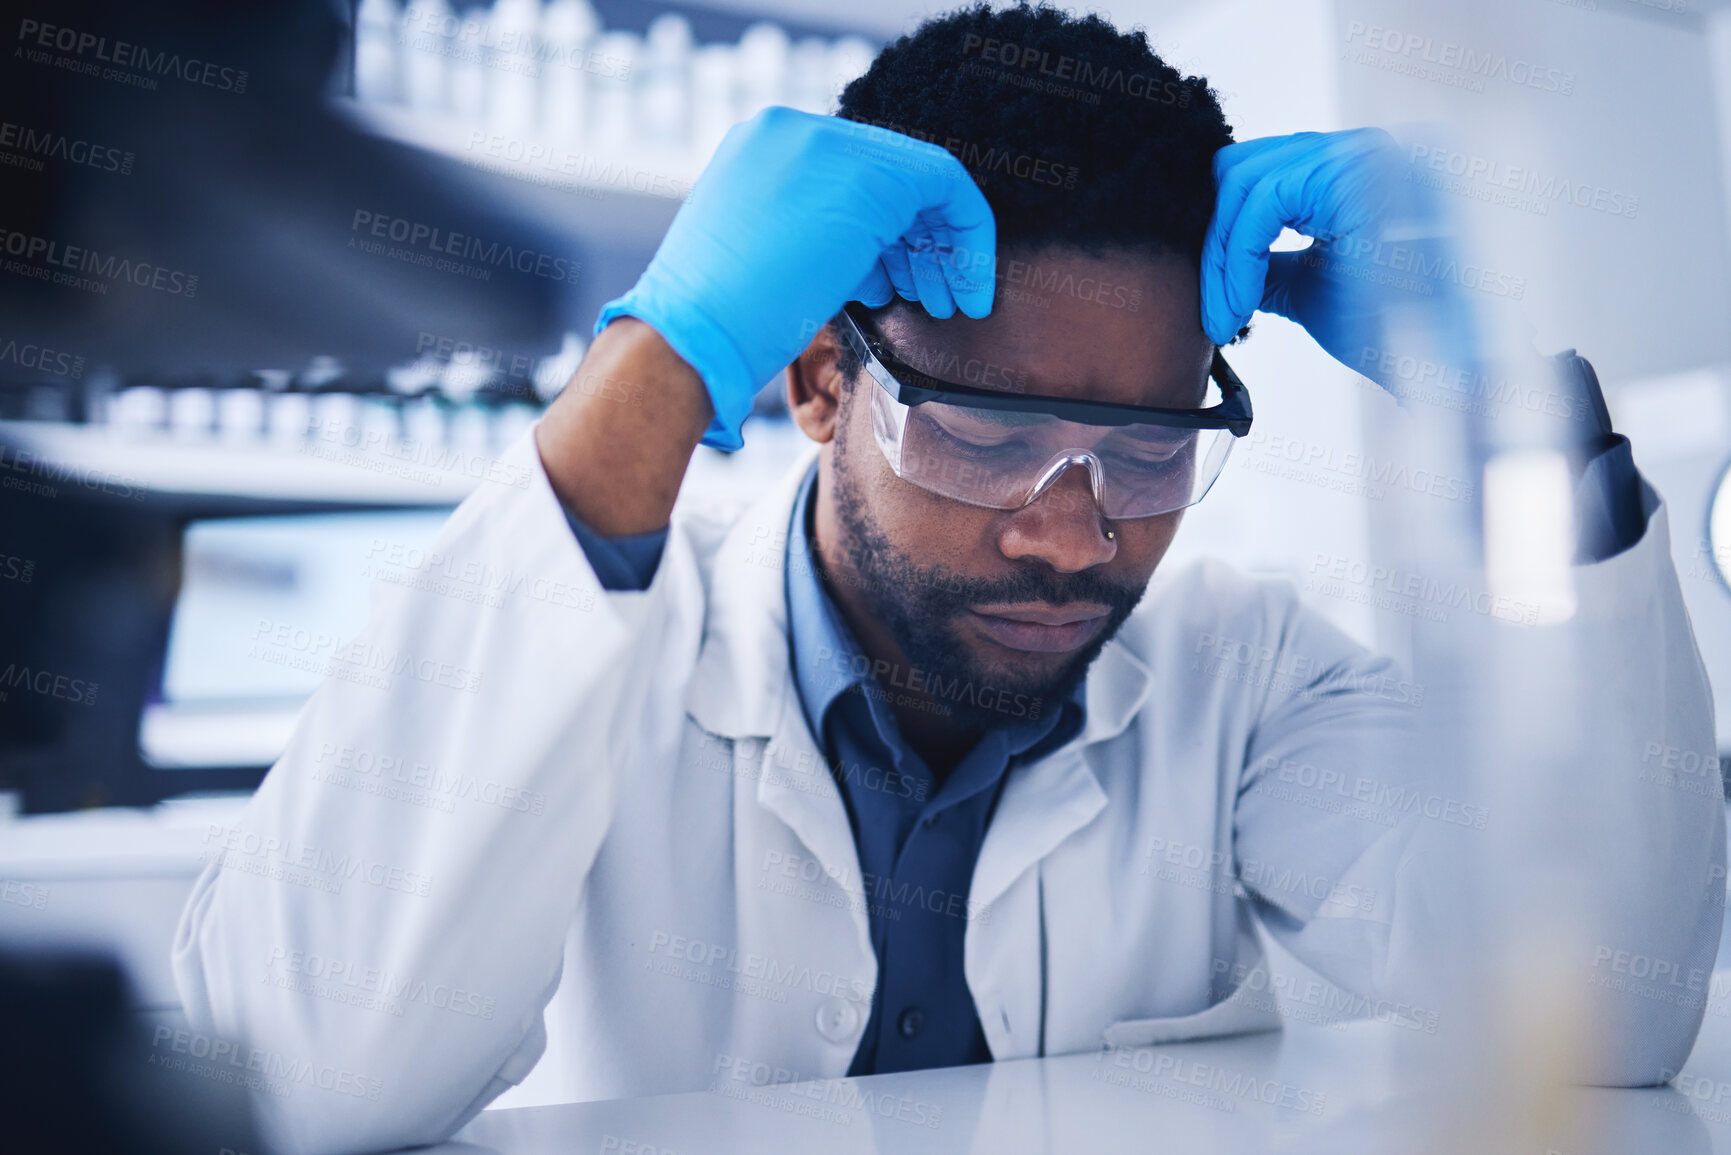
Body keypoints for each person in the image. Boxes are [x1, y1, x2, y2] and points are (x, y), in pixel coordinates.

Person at [173, 5, 1722, 1153]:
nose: (1072, 533)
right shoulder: (592, 648)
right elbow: (297, 1088)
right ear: (818, 387)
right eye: (983, 435)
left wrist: (1523, 426)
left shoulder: (1247, 677)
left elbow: (1604, 1005)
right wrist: (654, 361)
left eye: (1147, 446)